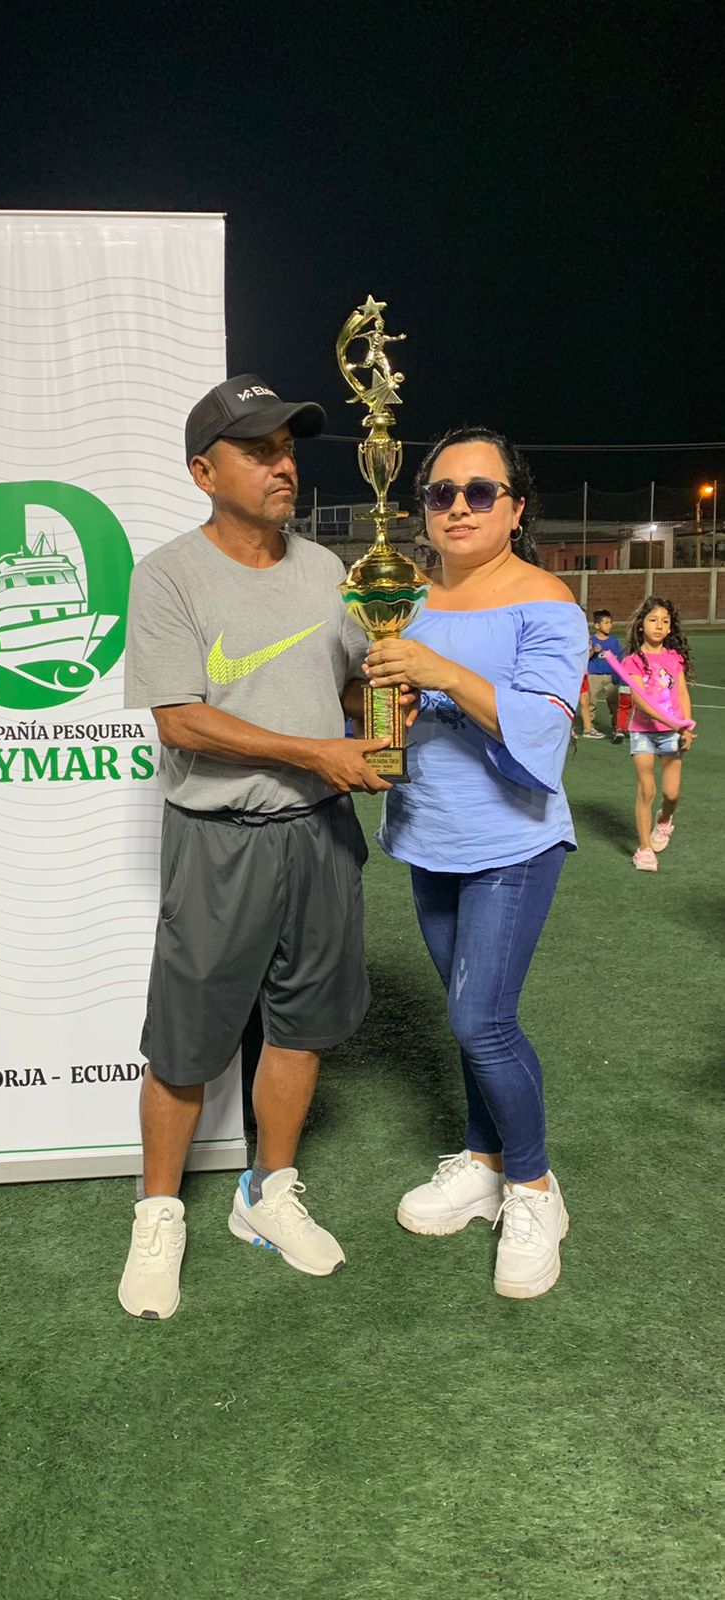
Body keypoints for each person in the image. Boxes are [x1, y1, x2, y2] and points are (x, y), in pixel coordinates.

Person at [118, 372, 398, 1321]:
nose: (284, 466)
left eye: (287, 449)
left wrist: (385, 700)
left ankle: (266, 1191)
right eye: (258, 451)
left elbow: (348, 689)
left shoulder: (328, 571)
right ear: (204, 472)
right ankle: (158, 1213)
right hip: (218, 836)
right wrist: (317, 750)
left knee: (302, 1025)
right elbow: (181, 721)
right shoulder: (167, 575)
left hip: (321, 831)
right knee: (185, 1042)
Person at [365, 426, 588, 1300]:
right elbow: (390, 706)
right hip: (430, 835)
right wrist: (384, 702)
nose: (458, 507)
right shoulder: (406, 599)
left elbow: (544, 733)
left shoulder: (548, 603)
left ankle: (533, 1189)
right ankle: (484, 1161)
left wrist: (442, 671)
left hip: (513, 843)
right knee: (471, 1020)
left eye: (480, 492)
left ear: (515, 508)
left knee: (480, 1021)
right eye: (440, 493)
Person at [621, 596, 694, 872]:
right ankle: (644, 849)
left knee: (671, 793)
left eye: (665, 621)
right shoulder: (633, 661)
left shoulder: (674, 658)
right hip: (643, 732)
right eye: (653, 620)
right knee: (647, 789)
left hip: (671, 734)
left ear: (671, 627)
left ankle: (664, 820)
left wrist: (686, 725)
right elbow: (642, 702)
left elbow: (682, 693)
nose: (659, 625)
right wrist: (674, 723)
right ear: (641, 625)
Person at [586, 609, 623, 739]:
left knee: (614, 703)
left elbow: (619, 658)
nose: (610, 625)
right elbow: (585, 657)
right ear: (597, 625)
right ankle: (589, 726)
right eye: (606, 623)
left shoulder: (613, 641)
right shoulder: (591, 640)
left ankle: (617, 727)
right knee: (591, 702)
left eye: (610, 622)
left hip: (610, 676)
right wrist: (593, 651)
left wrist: (619, 674)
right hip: (594, 676)